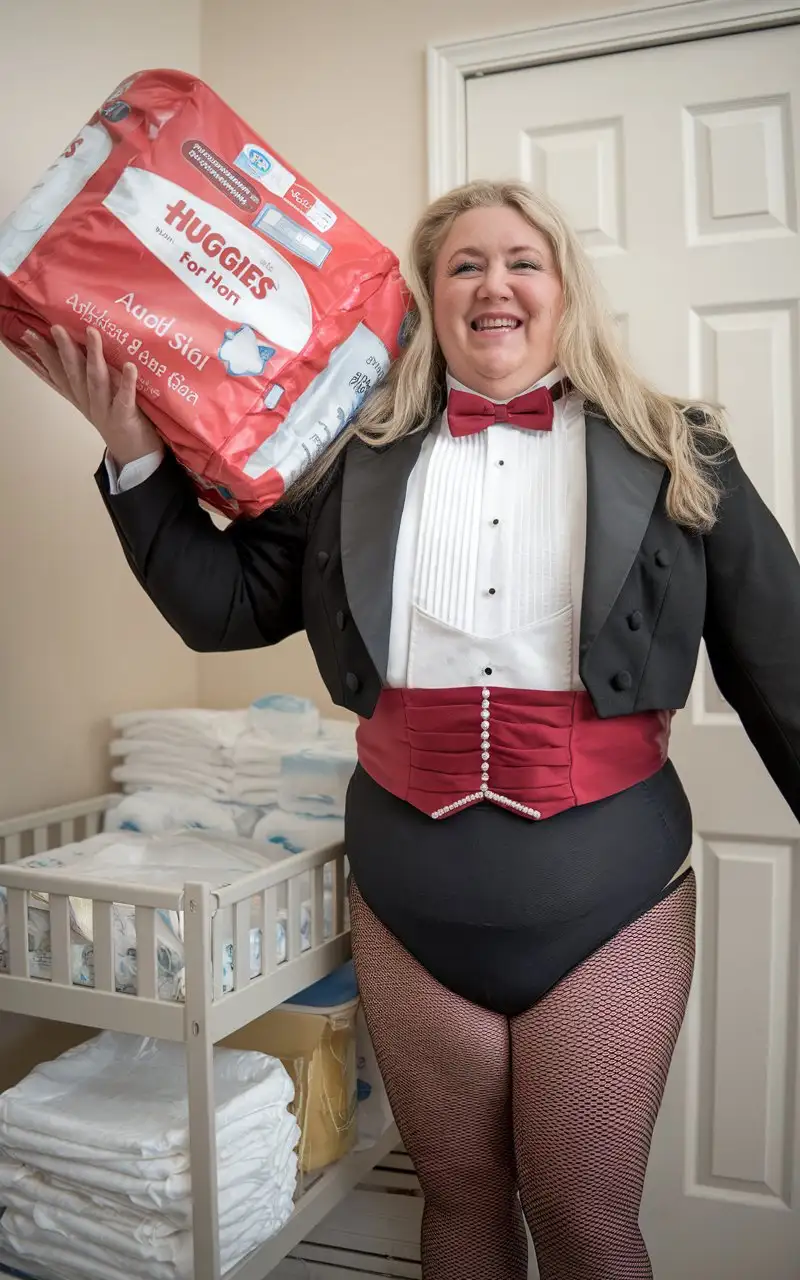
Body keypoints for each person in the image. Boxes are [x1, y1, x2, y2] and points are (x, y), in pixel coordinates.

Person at [25, 179, 800, 1280]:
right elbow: (226, 605)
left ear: (562, 285)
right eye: (462, 265)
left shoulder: (681, 448)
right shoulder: (350, 454)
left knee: (584, 1218)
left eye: (520, 259)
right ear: (428, 301)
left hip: (610, 899)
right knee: (459, 1198)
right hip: (407, 901)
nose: (493, 283)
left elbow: (783, 667)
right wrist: (131, 447)